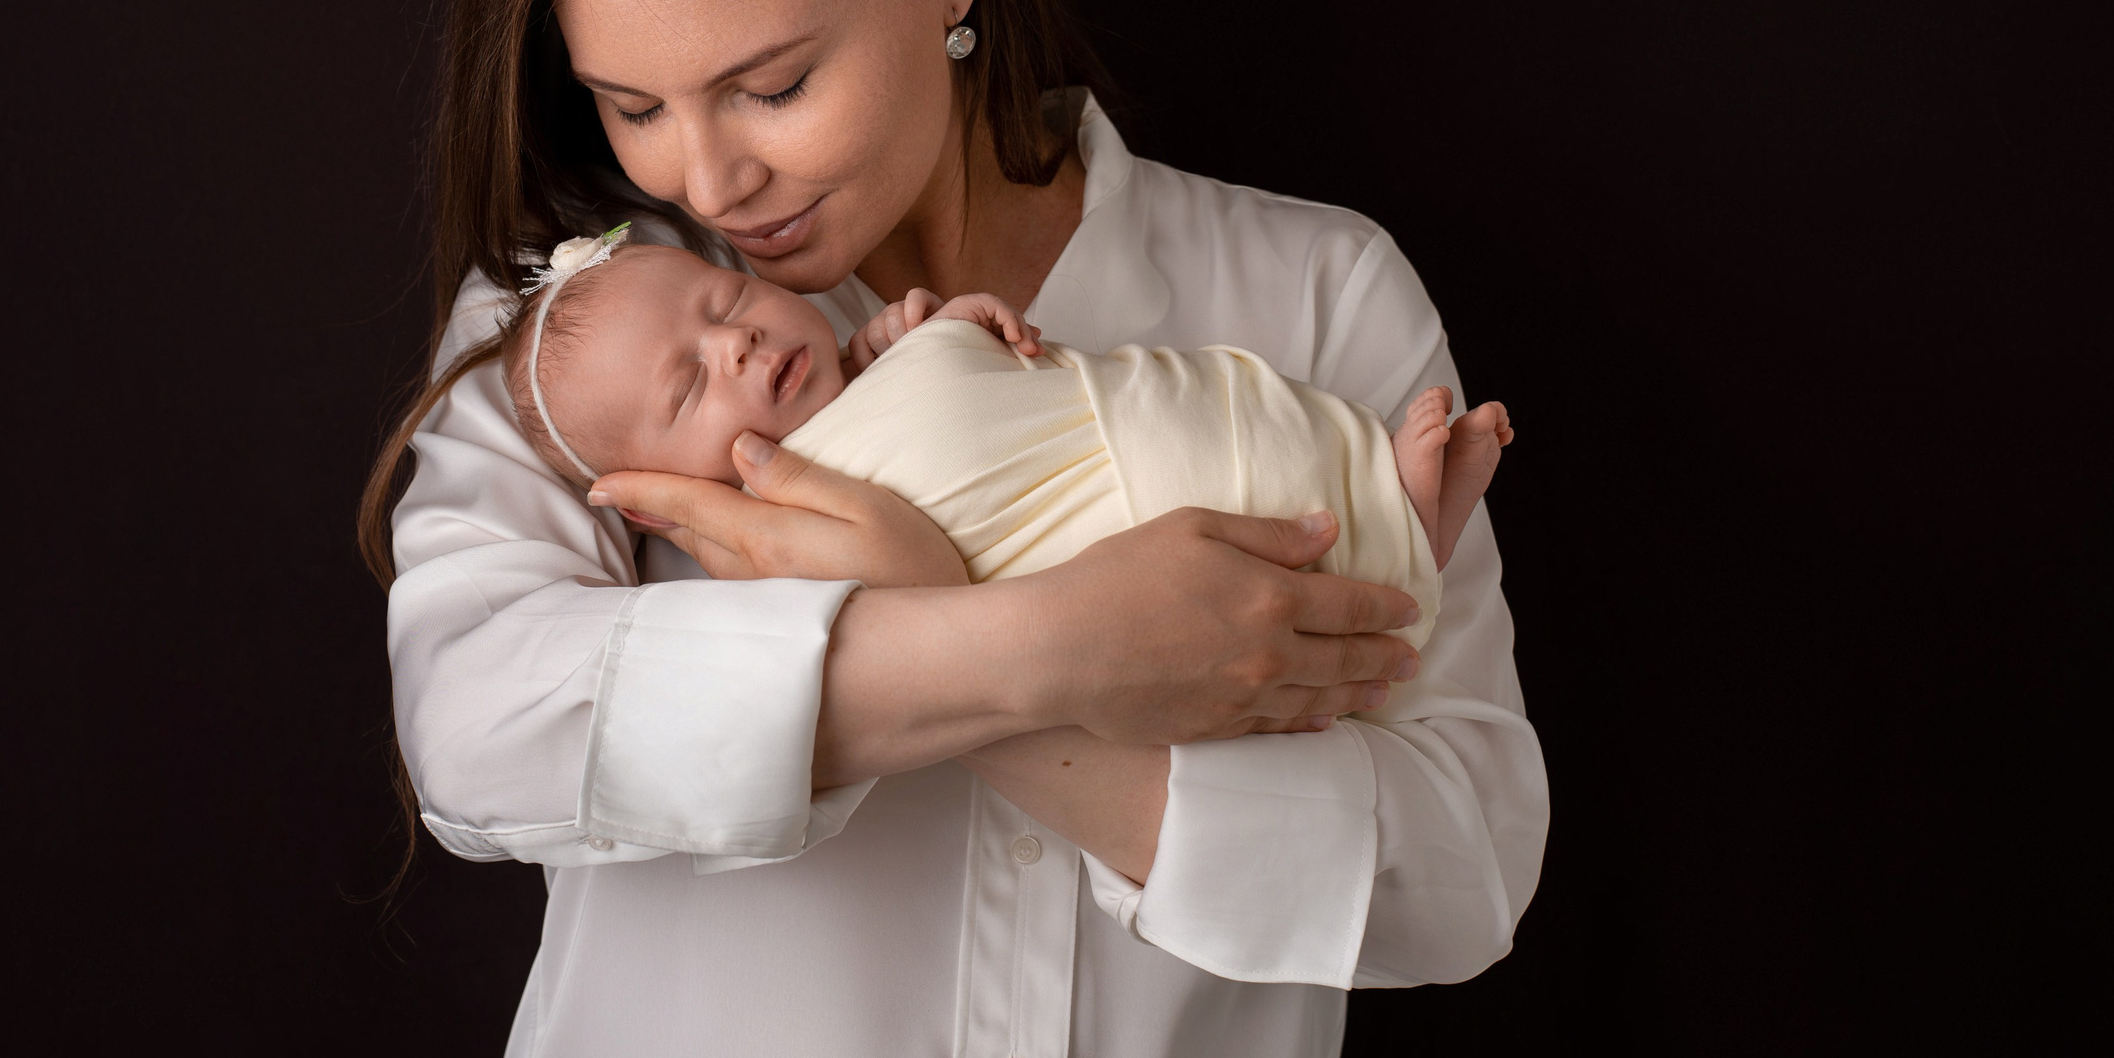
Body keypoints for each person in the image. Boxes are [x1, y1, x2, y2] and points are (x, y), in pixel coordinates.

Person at [361, 0, 1548, 1058]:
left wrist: (1013, 700)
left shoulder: (1310, 296)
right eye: (633, 103)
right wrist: (1053, 643)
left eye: (773, 84)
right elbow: (479, 720)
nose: (709, 178)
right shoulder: (585, 331)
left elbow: (1463, 863)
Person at [493, 231, 1510, 622]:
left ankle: (1383, 489)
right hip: (1093, 523)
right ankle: (1404, 525)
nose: (740, 347)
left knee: (1214, 415)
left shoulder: (866, 357)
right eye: (688, 389)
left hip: (1112, 410)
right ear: (675, 495)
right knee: (1220, 517)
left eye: (723, 302)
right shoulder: (771, 540)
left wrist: (929, 332)